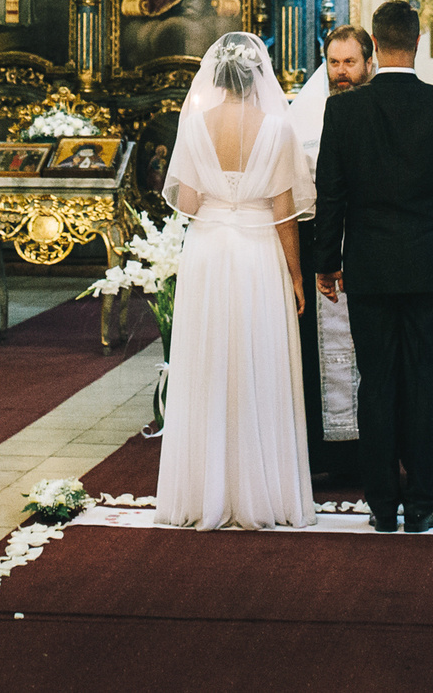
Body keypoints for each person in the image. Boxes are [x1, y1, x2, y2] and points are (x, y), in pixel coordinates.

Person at [312, 0, 433, 534]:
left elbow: (330, 194)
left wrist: (326, 263)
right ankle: (422, 503)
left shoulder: (344, 111)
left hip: (369, 267)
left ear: (374, 44)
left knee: (376, 383)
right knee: (425, 383)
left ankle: (381, 505)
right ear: (418, 41)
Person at [153, 32, 314, 531]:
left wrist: (219, 198)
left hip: (207, 251)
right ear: (259, 77)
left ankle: (201, 491)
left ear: (216, 78)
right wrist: (297, 275)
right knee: (258, 359)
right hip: (258, 251)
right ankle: (262, 490)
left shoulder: (194, 126)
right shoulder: (278, 128)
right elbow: (285, 212)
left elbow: (187, 204)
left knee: (207, 361)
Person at [286, 26, 375, 481]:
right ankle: (322, 454)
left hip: (369, 244)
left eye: (350, 63)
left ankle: (369, 450)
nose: (341, 72)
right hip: (320, 241)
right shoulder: (303, 116)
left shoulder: (379, 105)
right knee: (313, 353)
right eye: (334, 62)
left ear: (368, 63)